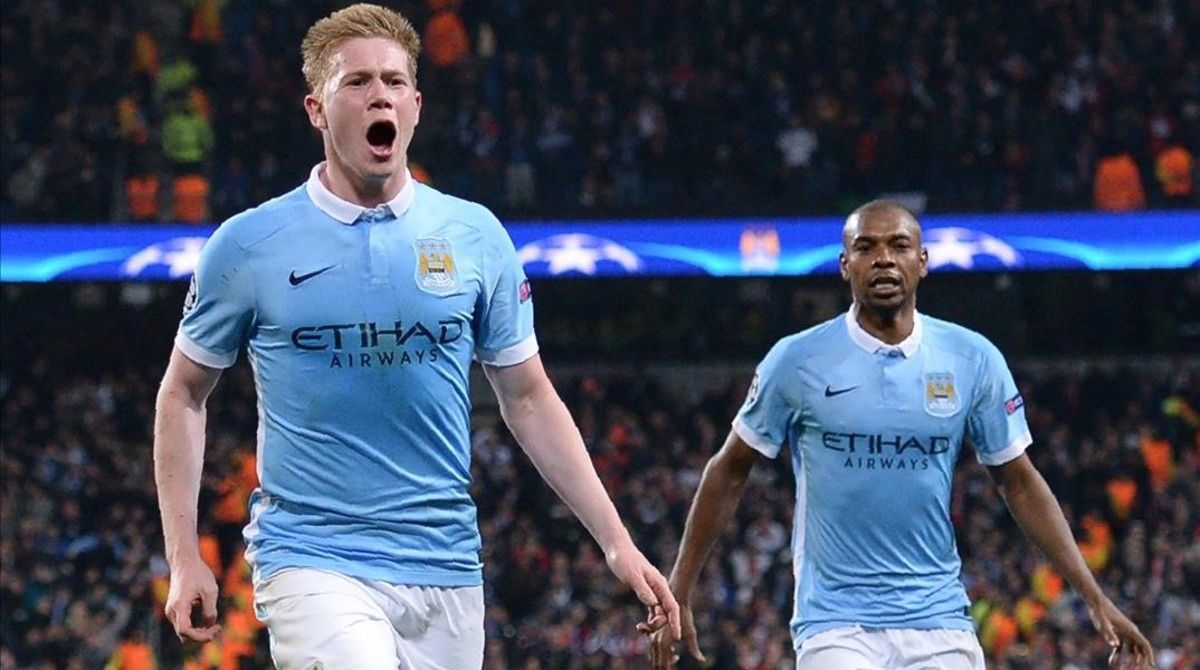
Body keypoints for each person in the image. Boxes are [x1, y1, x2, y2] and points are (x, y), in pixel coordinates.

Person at [153, 5, 679, 668]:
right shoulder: (249, 245)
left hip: (447, 565)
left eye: (395, 82)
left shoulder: (475, 236)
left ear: (417, 105)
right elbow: (183, 395)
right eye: (358, 82)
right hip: (314, 559)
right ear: (316, 109)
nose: (380, 95)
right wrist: (183, 556)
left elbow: (528, 398)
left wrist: (616, 542)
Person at [644, 200, 1154, 669]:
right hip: (836, 625)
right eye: (866, 247)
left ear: (923, 262)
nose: (883, 259)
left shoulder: (972, 359)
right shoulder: (796, 360)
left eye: (899, 246)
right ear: (845, 265)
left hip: (940, 620)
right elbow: (729, 470)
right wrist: (680, 589)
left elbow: (1018, 482)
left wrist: (1095, 596)